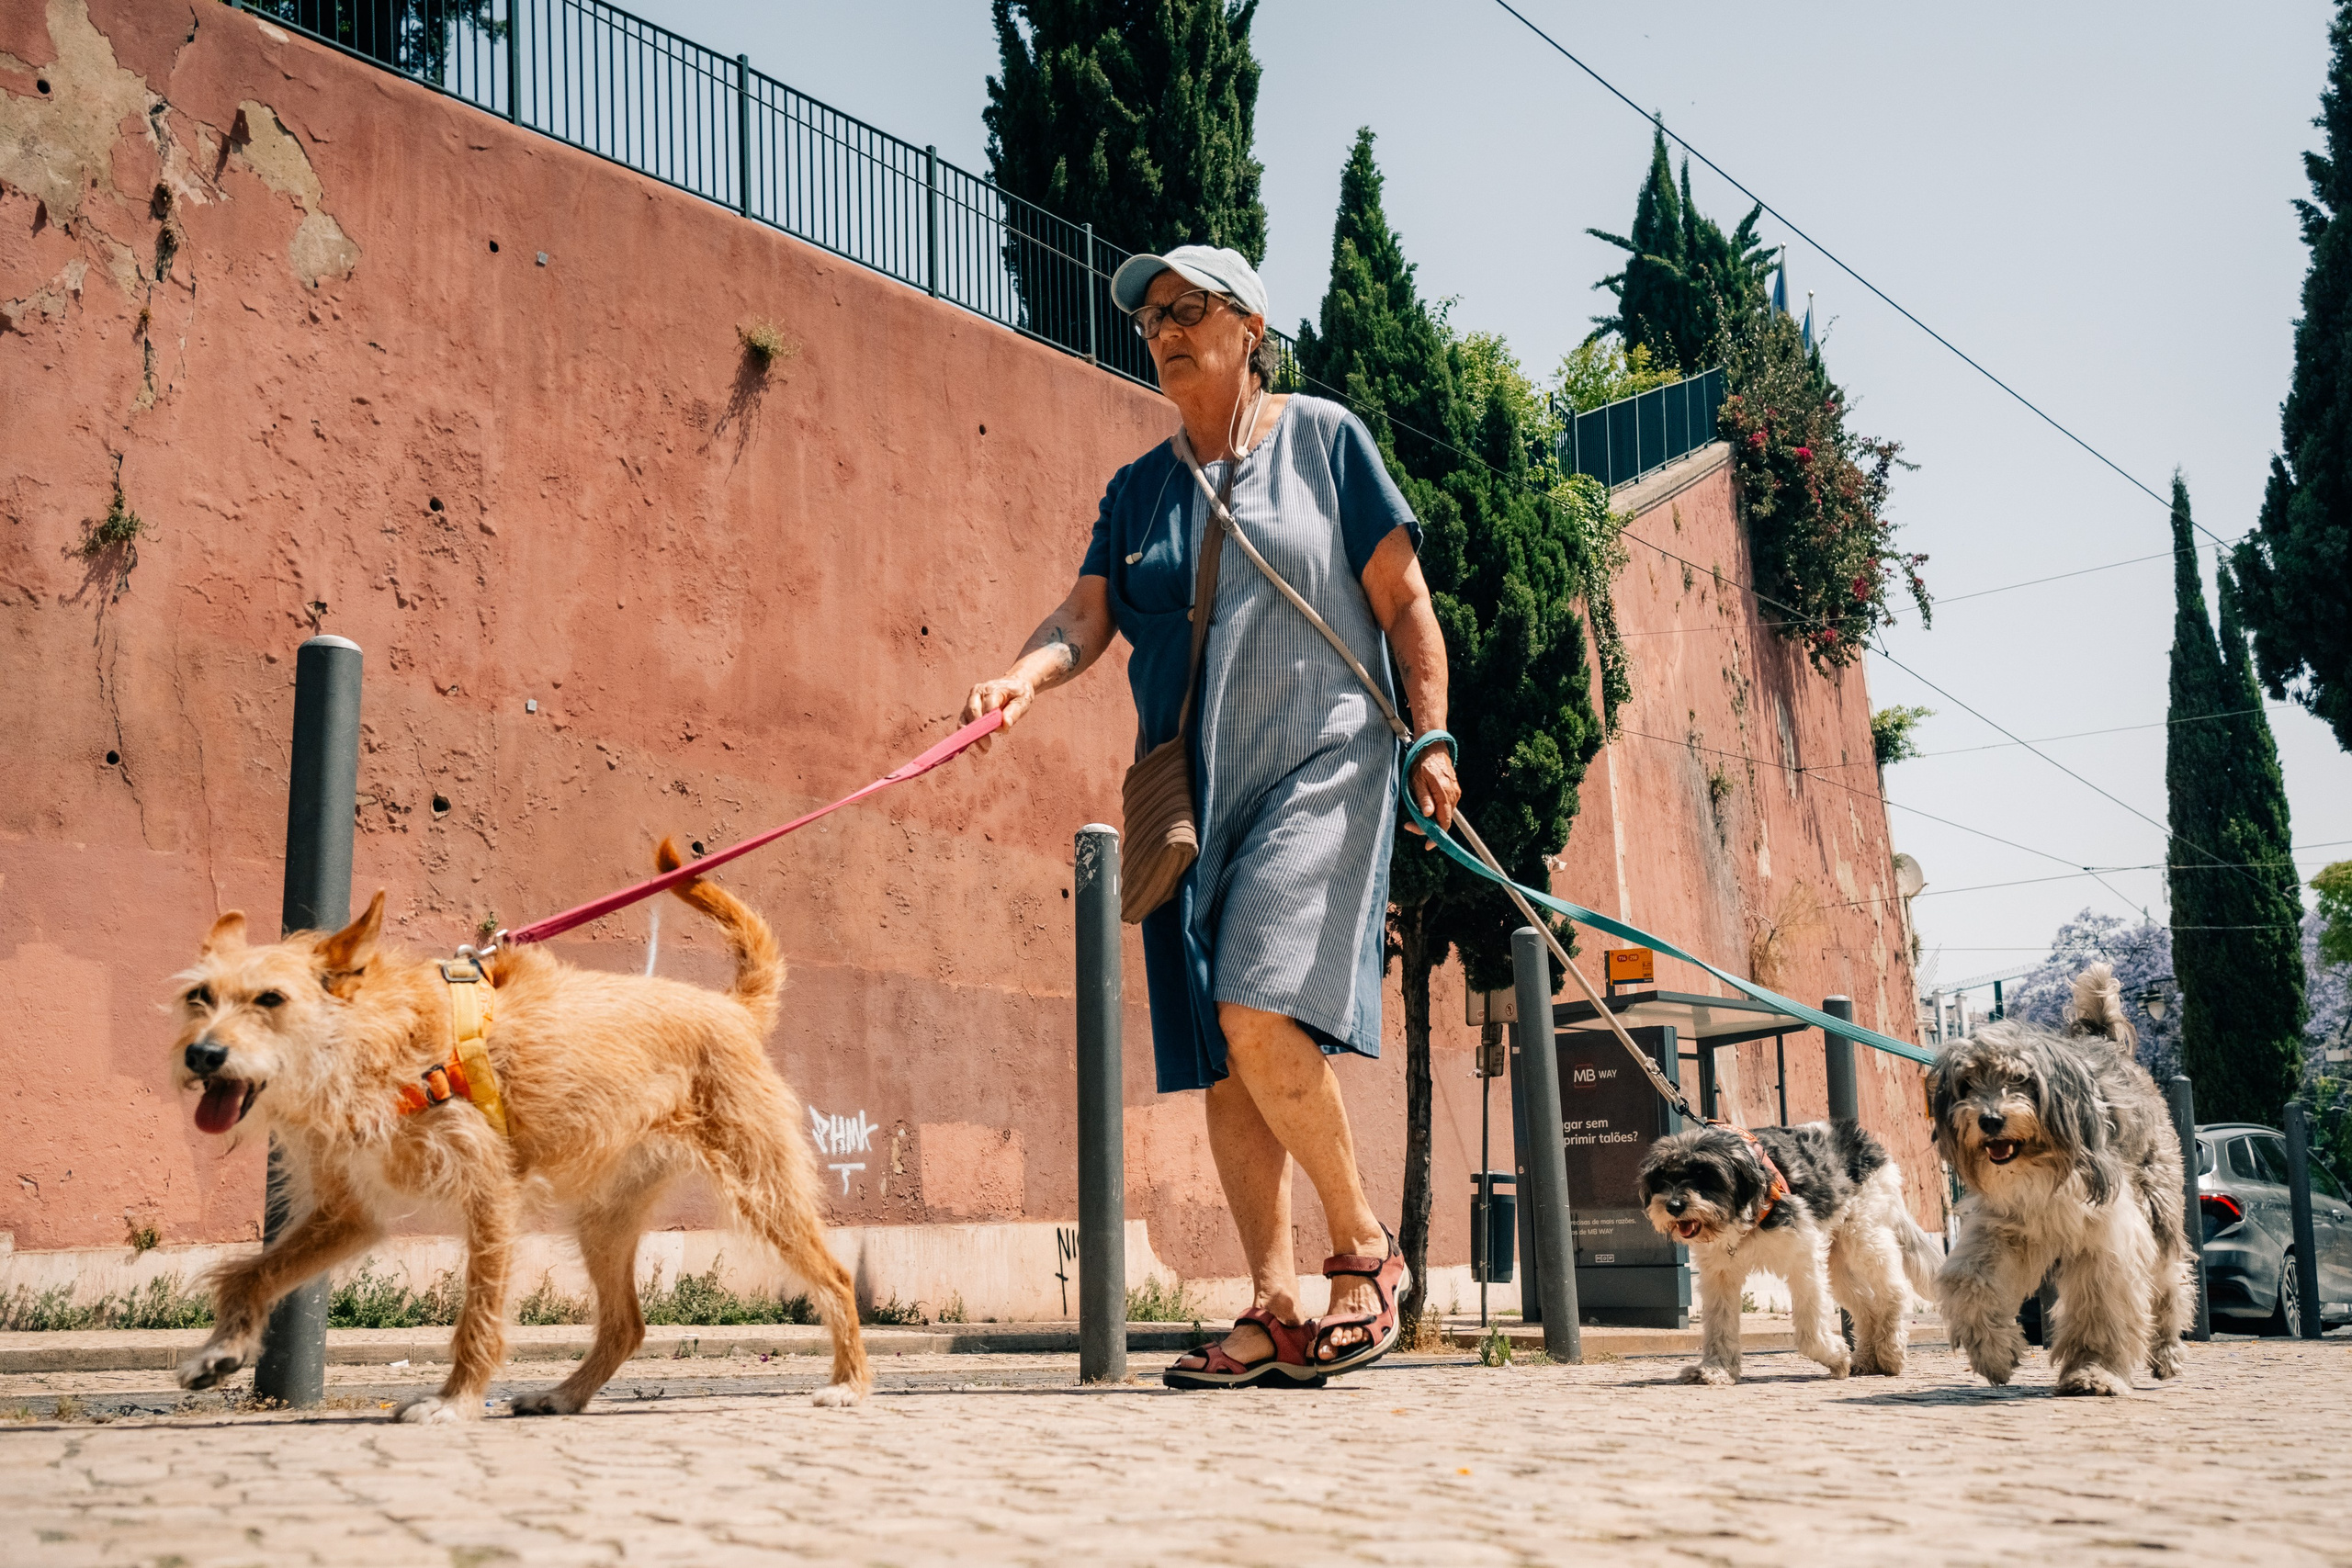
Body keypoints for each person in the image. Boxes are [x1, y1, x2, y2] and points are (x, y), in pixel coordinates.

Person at [961, 245, 1460, 1387]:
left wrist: (1430, 736)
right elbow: (1084, 617)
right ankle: (1276, 1307)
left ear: (1250, 328)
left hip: (1321, 762)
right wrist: (1020, 678)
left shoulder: (1326, 442)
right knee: (1227, 1058)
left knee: (1253, 1008)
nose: (1165, 329)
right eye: (1151, 318)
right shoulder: (1139, 488)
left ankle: (1366, 1253)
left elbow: (1404, 601)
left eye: (1190, 310)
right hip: (1190, 797)